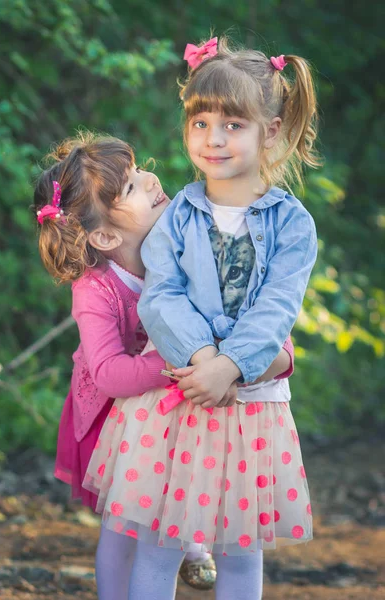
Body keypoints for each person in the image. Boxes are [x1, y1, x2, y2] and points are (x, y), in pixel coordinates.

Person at [84, 34, 318, 600]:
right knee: (160, 546)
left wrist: (232, 366)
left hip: (251, 409)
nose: (212, 139)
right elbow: (161, 295)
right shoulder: (177, 215)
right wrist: (202, 358)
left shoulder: (292, 224)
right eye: (199, 122)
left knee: (240, 554)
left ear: (273, 130)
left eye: (233, 125)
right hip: (177, 406)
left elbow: (277, 306)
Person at [33, 132, 233, 598]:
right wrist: (174, 356)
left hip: (172, 408)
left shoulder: (179, 247)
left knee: (184, 480)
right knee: (123, 529)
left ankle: (191, 536)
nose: (152, 178)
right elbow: (108, 374)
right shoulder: (96, 290)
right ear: (104, 235)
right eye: (131, 187)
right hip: (112, 420)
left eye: (140, 168)